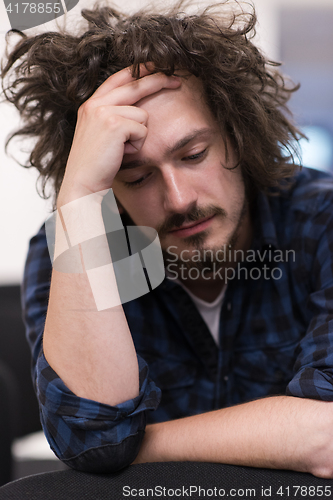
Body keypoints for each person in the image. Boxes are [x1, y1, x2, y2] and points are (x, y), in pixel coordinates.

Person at [2, 0, 333, 479]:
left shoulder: (321, 219)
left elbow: (326, 437)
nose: (179, 200)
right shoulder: (71, 243)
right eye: (135, 178)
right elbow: (90, 435)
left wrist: (130, 445)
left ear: (238, 136)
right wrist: (78, 194)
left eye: (194, 154)